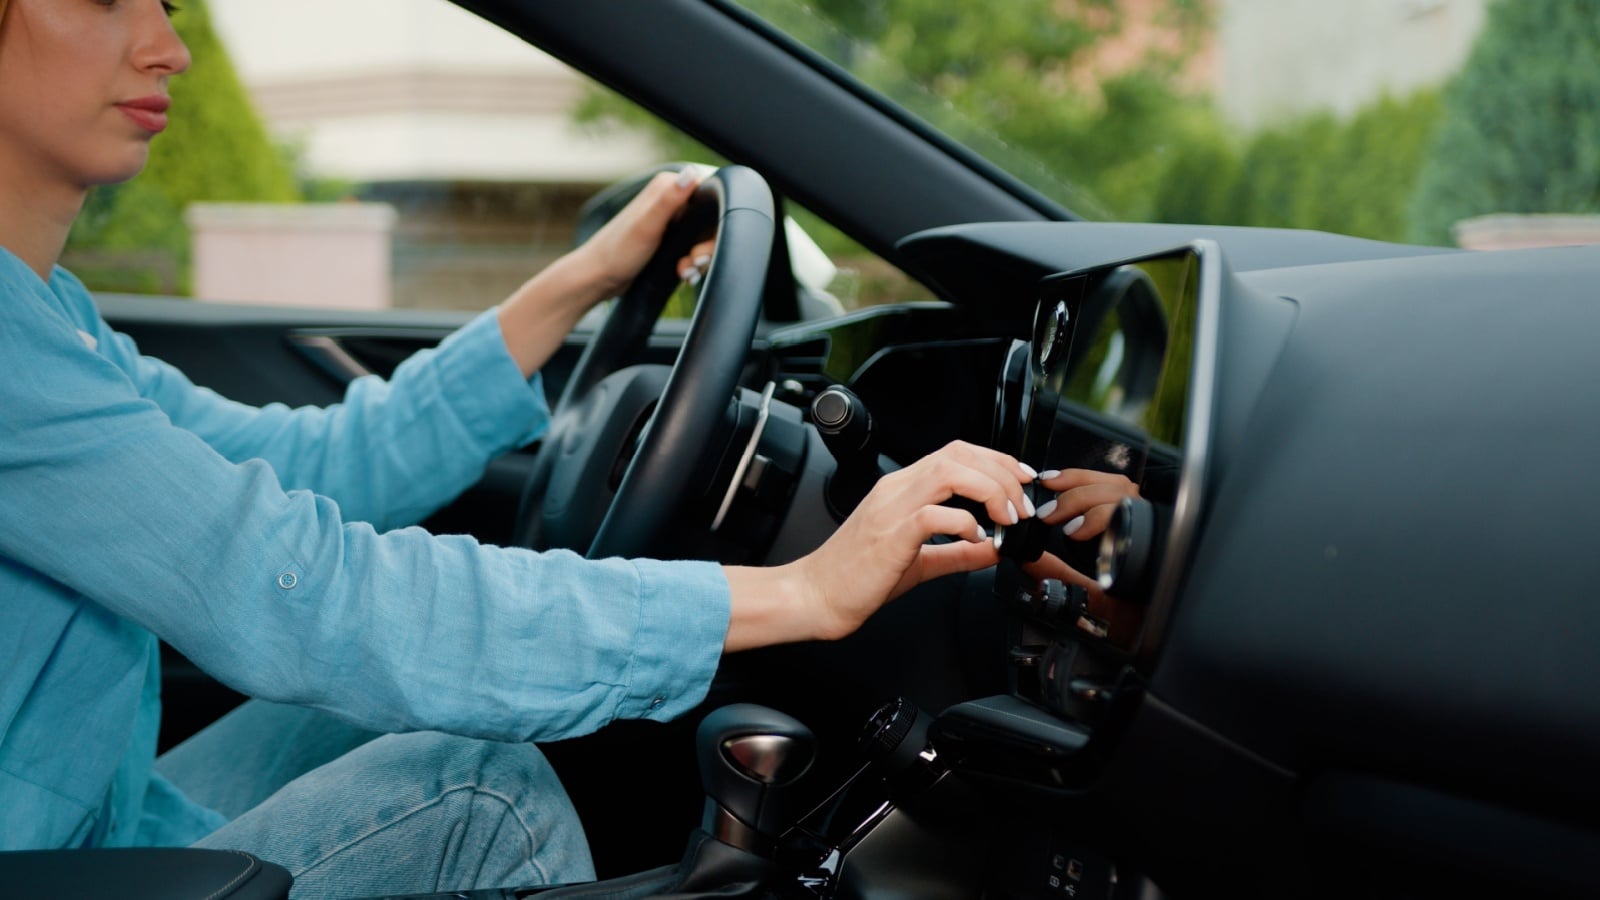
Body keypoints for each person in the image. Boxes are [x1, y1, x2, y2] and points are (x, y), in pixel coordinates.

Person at [0, 2, 1076, 897]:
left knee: (360, 716)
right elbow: (306, 591)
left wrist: (587, 278)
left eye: (166, 4)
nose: (168, 46)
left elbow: (315, 471)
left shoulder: (51, 317)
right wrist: (804, 591)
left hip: (93, 825)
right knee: (482, 793)